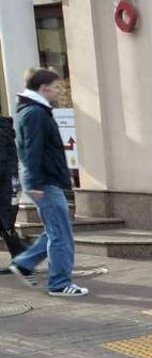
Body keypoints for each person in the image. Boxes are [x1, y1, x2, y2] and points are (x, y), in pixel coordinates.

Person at [4, 68, 85, 296]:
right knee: (61, 233)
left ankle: (24, 263)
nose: (59, 91)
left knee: (56, 229)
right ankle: (60, 283)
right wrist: (36, 183)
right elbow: (33, 149)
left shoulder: (33, 111)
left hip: (46, 180)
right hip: (45, 182)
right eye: (56, 87)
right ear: (43, 88)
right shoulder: (36, 113)